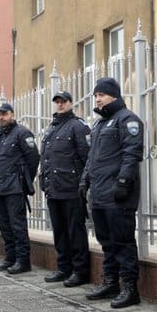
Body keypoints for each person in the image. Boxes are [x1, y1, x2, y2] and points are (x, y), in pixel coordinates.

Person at [80, 78, 143, 308]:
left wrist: (124, 182)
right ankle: (110, 282)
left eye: (102, 94)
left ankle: (129, 288)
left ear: (114, 95)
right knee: (106, 241)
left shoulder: (127, 120)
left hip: (118, 194)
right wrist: (84, 180)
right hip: (99, 194)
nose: (97, 98)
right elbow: (91, 157)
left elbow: (131, 153)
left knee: (123, 241)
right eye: (95, 94)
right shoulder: (98, 125)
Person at [39, 91, 91, 286]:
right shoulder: (51, 129)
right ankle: (63, 268)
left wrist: (83, 184)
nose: (60, 105)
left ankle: (80, 271)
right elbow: (46, 158)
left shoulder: (78, 127)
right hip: (53, 188)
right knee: (59, 231)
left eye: (64, 102)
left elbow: (87, 158)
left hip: (71, 188)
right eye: (57, 102)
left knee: (75, 231)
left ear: (71, 103)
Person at [0, 103, 40, 274]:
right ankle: (10, 257)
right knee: (4, 225)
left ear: (12, 114)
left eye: (4, 114)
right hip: (0, 187)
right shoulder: (1, 137)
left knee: (17, 225)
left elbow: (33, 158)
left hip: (15, 187)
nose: (1, 117)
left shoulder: (22, 133)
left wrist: (25, 181)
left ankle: (23, 261)